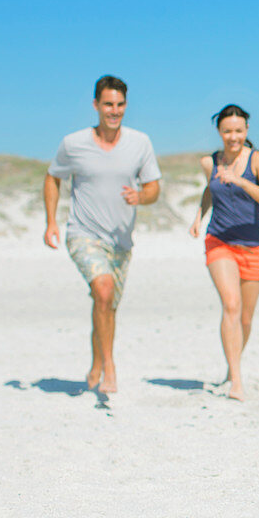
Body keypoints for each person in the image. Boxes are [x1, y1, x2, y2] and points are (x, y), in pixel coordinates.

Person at [43, 75, 161, 394]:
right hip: (83, 233)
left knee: (106, 305)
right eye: (108, 104)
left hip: (121, 241)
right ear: (95, 105)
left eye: (120, 104)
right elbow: (53, 178)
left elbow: (153, 188)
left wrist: (141, 196)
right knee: (104, 292)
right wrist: (51, 222)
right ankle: (110, 366)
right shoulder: (73, 144)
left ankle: (96, 361)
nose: (115, 110)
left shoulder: (140, 143)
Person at [189, 105, 259, 401]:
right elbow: (210, 190)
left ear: (246, 131)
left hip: (255, 245)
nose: (233, 136)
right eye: (227, 131)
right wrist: (199, 217)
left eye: (239, 131)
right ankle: (236, 380)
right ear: (219, 132)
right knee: (231, 305)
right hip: (219, 241)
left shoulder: (258, 160)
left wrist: (240, 180)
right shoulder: (209, 162)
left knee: (246, 319)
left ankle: (231, 367)